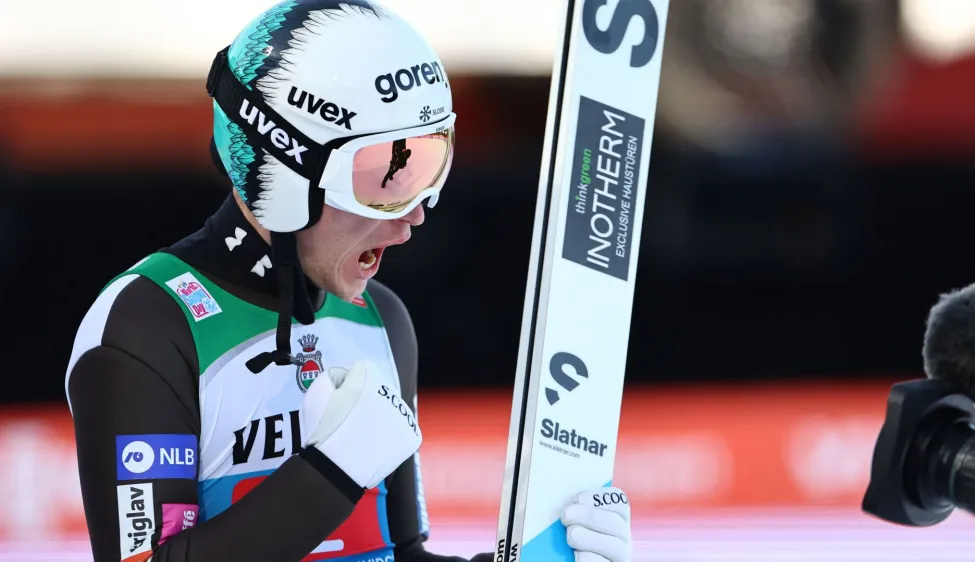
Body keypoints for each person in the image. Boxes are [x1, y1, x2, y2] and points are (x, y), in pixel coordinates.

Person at [64, 1, 633, 561]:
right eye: (385, 175)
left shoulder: (380, 320)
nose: (414, 215)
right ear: (284, 174)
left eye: (430, 163)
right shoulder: (147, 327)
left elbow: (400, 553)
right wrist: (331, 471)